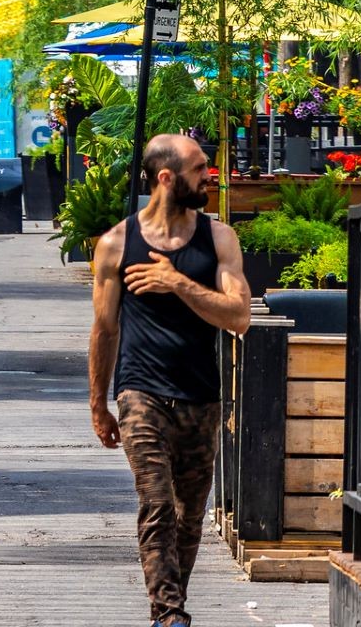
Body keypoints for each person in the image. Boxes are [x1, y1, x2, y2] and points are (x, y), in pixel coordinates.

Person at [89, 133, 250, 627]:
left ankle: (170, 606)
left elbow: (239, 315)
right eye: (200, 168)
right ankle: (169, 614)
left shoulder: (218, 239)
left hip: (201, 396)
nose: (210, 175)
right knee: (156, 504)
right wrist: (99, 402)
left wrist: (177, 282)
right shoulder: (116, 244)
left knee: (188, 518)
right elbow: (105, 328)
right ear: (167, 178)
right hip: (140, 394)